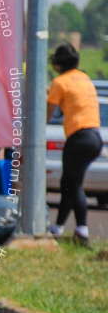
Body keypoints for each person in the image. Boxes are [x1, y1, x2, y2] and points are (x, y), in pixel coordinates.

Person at [47, 43, 102, 246]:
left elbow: (47, 113)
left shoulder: (59, 82)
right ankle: (58, 228)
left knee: (73, 185)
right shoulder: (84, 78)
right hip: (94, 136)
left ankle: (82, 232)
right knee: (68, 183)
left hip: (78, 137)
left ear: (59, 64)